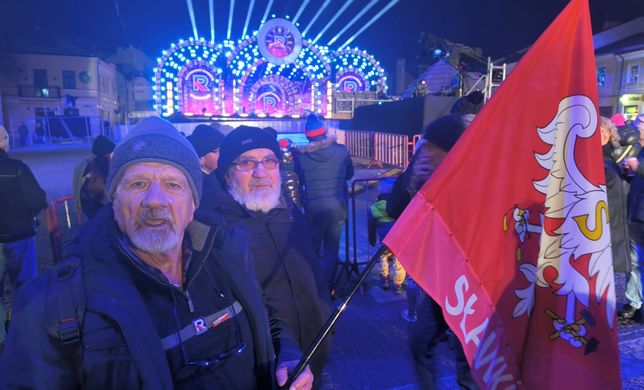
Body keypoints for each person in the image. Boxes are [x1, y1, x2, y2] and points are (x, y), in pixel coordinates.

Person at [0, 117, 313, 389]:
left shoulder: (228, 253)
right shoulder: (49, 304)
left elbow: (265, 315)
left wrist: (287, 351)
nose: (155, 200)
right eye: (137, 183)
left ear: (193, 204)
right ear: (114, 199)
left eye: (173, 185)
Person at [202, 126, 330, 385]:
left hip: (314, 347)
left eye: (269, 161)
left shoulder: (287, 209)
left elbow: (312, 266)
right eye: (247, 163)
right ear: (227, 172)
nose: (261, 173)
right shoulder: (212, 227)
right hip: (263, 363)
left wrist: (325, 306)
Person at [387, 114, 477, 389]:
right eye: (425, 147)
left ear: (449, 150)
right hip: (439, 282)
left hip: (470, 284)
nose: (426, 152)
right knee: (419, 341)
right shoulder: (423, 176)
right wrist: (415, 178)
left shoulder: (470, 180)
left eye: (432, 148)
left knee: (467, 352)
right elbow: (394, 210)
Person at [295, 114, 354, 296]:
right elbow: (349, 174)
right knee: (331, 249)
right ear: (325, 132)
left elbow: (300, 178)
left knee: (312, 249)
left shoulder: (301, 156)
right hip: (337, 208)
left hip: (314, 209)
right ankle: (327, 287)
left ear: (308, 136)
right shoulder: (341, 151)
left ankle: (311, 285)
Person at [0, 125, 47, 350]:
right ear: (5, 142)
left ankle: (1, 338)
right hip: (20, 236)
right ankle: (25, 331)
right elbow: (37, 200)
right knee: (25, 285)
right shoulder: (18, 168)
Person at [599, 117, 632, 282]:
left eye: (605, 130)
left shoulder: (615, 155)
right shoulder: (591, 158)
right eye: (598, 130)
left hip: (616, 215)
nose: (602, 134)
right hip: (603, 218)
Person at [619, 113, 644, 324]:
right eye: (639, 121)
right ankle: (633, 302)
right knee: (634, 263)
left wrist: (639, 168)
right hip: (635, 213)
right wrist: (629, 173)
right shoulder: (636, 149)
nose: (640, 126)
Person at [72, 135, 115, 219]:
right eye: (112, 153)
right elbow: (104, 196)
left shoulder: (84, 164)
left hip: (90, 210)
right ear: (106, 154)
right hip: (99, 214)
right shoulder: (97, 168)